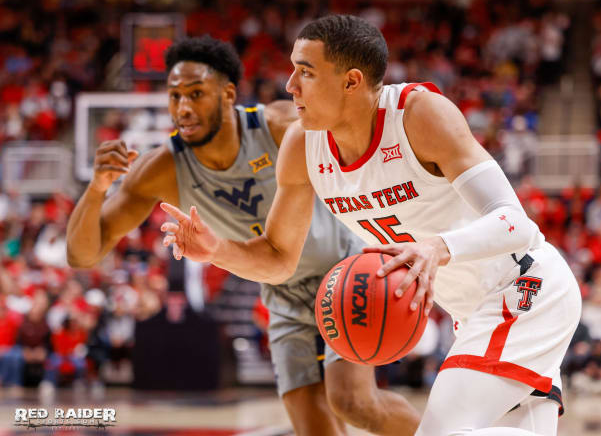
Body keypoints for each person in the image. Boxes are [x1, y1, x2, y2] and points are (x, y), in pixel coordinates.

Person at [160, 16, 582, 436]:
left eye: (305, 71)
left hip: (524, 286)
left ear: (351, 81)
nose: (290, 85)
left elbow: (516, 224)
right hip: (471, 313)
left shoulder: (419, 115)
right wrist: (217, 250)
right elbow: (277, 258)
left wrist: (436, 247)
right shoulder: (301, 145)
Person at [66, 36, 420, 436]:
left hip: (342, 272)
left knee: (354, 403)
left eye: (196, 94)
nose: (183, 108)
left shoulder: (280, 125)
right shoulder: (162, 167)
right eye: (175, 96)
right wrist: (96, 189)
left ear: (228, 93)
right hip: (281, 293)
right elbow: (83, 254)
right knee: (314, 429)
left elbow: (367, 153)